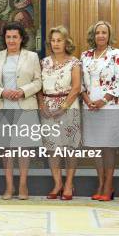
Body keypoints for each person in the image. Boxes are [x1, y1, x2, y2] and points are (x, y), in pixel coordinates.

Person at [0, 22, 41, 200]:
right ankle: (9, 186)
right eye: (8, 37)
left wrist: (23, 91)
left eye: (14, 37)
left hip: (25, 106)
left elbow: (39, 82)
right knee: (7, 149)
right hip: (3, 107)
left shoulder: (31, 57)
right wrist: (2, 92)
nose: (11, 40)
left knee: (24, 149)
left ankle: (23, 185)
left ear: (21, 38)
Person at [80, 21, 119, 202]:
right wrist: (88, 100)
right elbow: (81, 83)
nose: (100, 35)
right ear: (93, 34)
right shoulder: (85, 56)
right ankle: (100, 183)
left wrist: (103, 100)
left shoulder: (117, 54)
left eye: (104, 32)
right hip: (89, 106)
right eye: (98, 32)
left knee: (108, 147)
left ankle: (108, 184)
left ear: (109, 35)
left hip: (110, 106)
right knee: (96, 147)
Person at [38, 26, 81, 201]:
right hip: (47, 109)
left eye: (59, 40)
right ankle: (57, 183)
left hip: (69, 108)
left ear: (66, 42)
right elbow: (38, 87)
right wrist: (42, 105)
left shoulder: (74, 62)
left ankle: (69, 183)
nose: (55, 44)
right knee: (52, 149)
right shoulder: (43, 62)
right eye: (53, 41)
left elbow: (77, 87)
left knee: (70, 148)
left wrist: (62, 107)